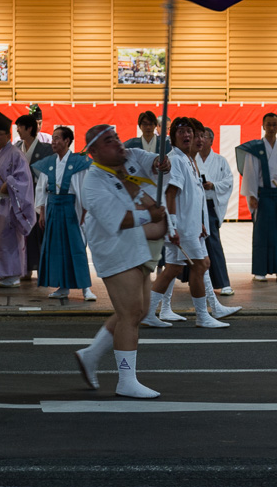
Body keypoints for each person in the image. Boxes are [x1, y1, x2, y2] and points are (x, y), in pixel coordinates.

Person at [73, 124, 169, 399]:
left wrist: (163, 163)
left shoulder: (131, 157)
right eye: (108, 141)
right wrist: (150, 216)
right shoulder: (93, 181)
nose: (116, 143)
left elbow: (157, 163)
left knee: (138, 310)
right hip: (113, 247)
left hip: (135, 243)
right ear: (93, 152)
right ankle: (126, 380)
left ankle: (91, 355)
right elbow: (118, 220)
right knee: (130, 314)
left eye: (115, 137)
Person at [145, 118, 230, 329]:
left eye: (190, 131)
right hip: (182, 228)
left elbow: (192, 198)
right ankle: (202, 315)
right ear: (173, 137)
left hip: (190, 226)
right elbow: (171, 194)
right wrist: (172, 227)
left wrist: (200, 222)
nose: (187, 135)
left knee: (173, 268)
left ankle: (147, 312)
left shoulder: (189, 160)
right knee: (200, 265)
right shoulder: (176, 160)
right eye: (181, 131)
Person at [33, 126, 95, 301]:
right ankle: (62, 287)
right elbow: (41, 190)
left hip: (71, 208)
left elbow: (84, 189)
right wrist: (42, 213)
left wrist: (84, 212)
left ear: (67, 141)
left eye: (57, 138)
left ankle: (86, 289)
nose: (53, 142)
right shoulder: (49, 163)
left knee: (76, 248)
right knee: (56, 249)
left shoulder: (79, 162)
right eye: (52, 138)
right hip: (53, 208)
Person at [237, 113, 277, 282]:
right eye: (268, 125)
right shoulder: (255, 149)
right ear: (263, 126)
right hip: (262, 195)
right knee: (262, 233)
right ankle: (261, 270)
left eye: (274, 125)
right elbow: (249, 174)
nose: (271, 128)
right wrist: (251, 195)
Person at [0, 113, 36, 288]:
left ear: (8, 136)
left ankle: (14, 275)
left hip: (10, 204)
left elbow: (23, 179)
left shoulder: (16, 154)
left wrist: (9, 183)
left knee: (10, 239)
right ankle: (4, 273)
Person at [196, 126, 235, 296]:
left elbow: (229, 182)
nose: (201, 140)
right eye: (200, 137)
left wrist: (214, 185)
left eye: (205, 137)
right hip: (194, 206)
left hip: (210, 206)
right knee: (190, 244)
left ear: (211, 140)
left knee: (213, 242)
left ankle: (223, 282)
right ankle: (195, 282)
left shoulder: (220, 161)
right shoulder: (191, 159)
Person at [15, 114, 53, 279]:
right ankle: (26, 268)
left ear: (29, 128)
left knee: (41, 232)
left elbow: (49, 174)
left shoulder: (46, 149)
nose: (17, 130)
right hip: (22, 198)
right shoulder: (17, 146)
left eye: (20, 127)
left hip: (40, 196)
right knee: (25, 233)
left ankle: (44, 269)